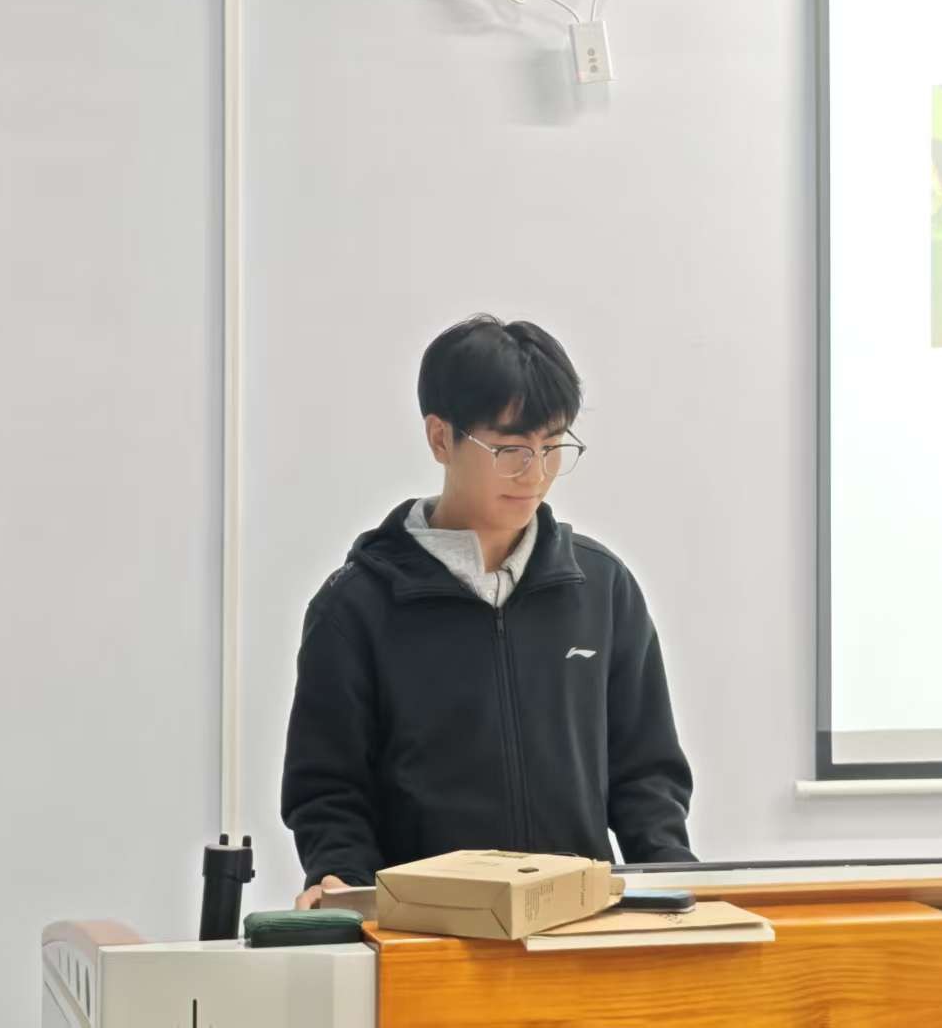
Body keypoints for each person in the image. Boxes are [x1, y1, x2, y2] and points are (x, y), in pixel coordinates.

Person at [283, 315, 694, 907]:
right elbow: (329, 791)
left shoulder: (602, 588)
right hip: (429, 931)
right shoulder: (355, 607)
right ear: (440, 438)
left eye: (553, 447)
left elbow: (646, 775)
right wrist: (344, 883)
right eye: (510, 450)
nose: (536, 474)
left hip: (579, 926)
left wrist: (675, 891)